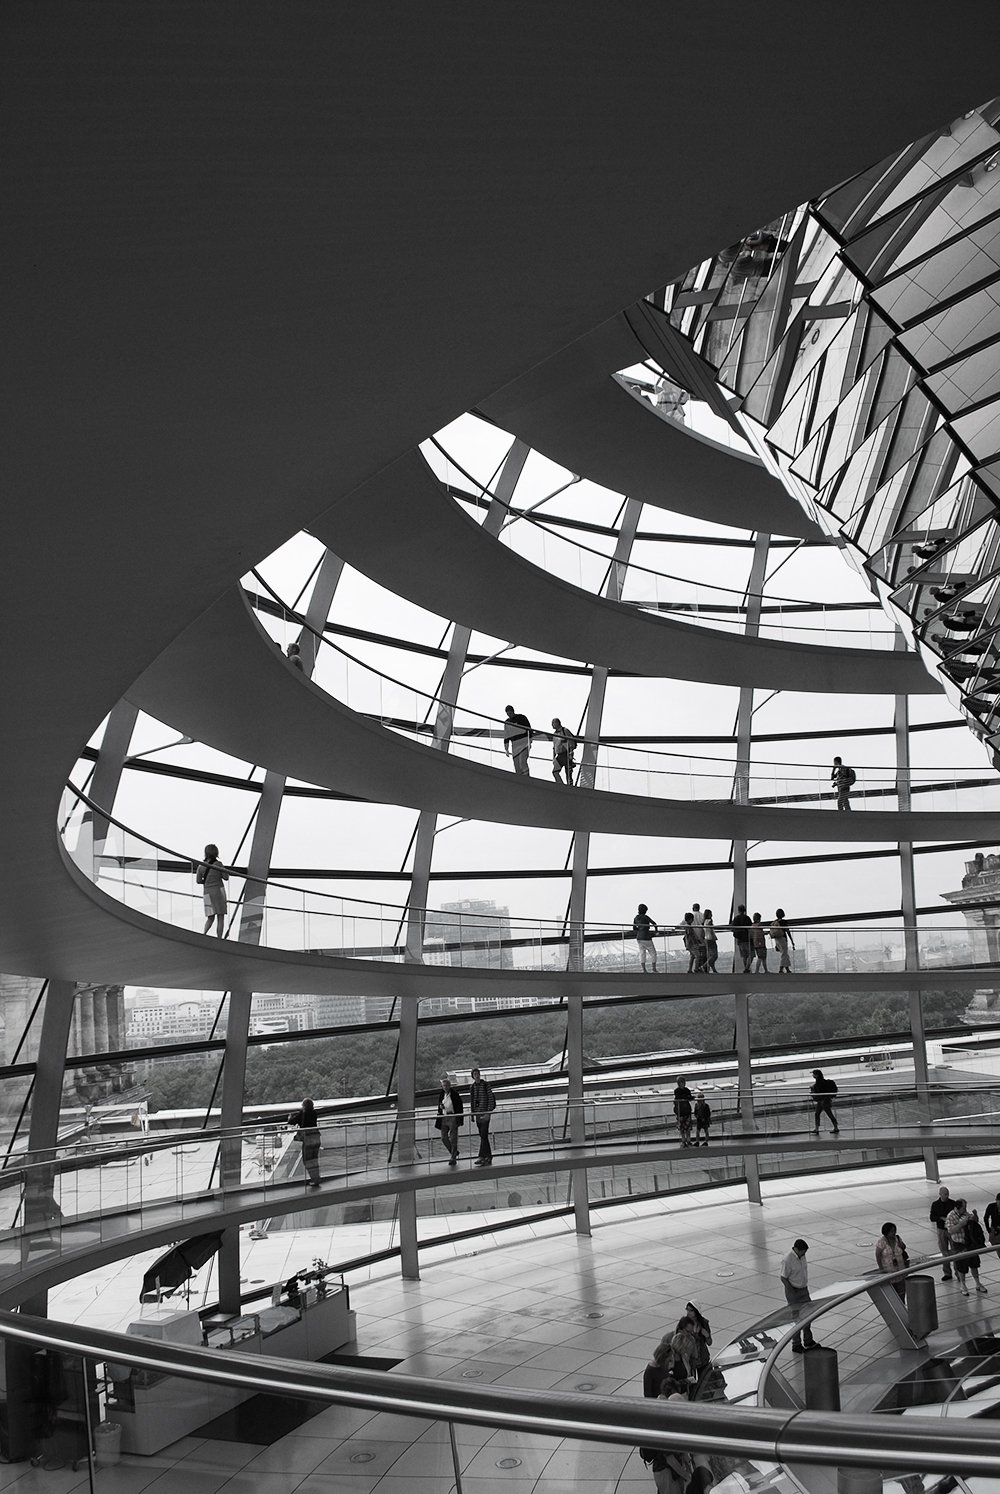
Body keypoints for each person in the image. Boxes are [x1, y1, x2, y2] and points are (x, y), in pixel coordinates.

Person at [780, 1238, 820, 1352]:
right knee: (797, 1319)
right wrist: (793, 1292)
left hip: (804, 1290)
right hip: (794, 1292)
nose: (804, 1254)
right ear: (796, 1249)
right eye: (803, 1252)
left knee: (808, 1315)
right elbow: (783, 1277)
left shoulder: (802, 1256)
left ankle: (808, 1340)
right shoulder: (787, 1259)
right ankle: (796, 1344)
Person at [945, 1198, 988, 1295]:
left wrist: (975, 1216)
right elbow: (950, 1230)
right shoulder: (950, 1216)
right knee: (961, 1266)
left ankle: (977, 1283)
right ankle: (963, 1285)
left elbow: (974, 1221)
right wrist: (961, 1224)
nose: (965, 1209)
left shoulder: (965, 1213)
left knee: (974, 1263)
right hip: (959, 1244)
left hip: (969, 1243)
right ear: (957, 1208)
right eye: (963, 1208)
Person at [195, 843, 229, 937]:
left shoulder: (201, 866)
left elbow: (198, 881)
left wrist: (207, 882)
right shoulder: (218, 864)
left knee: (210, 917)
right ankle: (219, 938)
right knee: (220, 917)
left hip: (207, 893)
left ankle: (204, 934)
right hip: (219, 892)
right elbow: (226, 877)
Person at [287, 1097, 322, 1188]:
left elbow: (291, 1122)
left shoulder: (302, 1113)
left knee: (307, 1160)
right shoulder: (314, 1113)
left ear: (304, 1106)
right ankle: (316, 1178)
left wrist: (290, 1117)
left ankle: (315, 1180)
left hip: (308, 1138)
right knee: (314, 1159)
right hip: (316, 1137)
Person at [468, 1067, 496, 1166]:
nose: (476, 1075)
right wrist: (472, 1113)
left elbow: (490, 1098)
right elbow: (472, 1101)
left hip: (485, 1112)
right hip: (478, 1114)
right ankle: (487, 1156)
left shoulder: (485, 1085)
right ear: (473, 1076)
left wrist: (488, 1112)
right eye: (474, 1074)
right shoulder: (472, 1087)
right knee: (483, 1135)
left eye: (477, 1073)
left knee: (483, 1134)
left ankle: (482, 1156)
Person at [434, 1074, 463, 1165]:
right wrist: (440, 1107)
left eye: (446, 1085)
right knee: (444, 1138)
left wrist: (459, 1119)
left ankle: (453, 1157)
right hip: (444, 1117)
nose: (445, 1087)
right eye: (443, 1086)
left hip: (453, 1117)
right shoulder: (441, 1094)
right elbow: (439, 1105)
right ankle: (453, 1152)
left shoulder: (454, 1094)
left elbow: (459, 1106)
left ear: (449, 1086)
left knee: (453, 1138)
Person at [875, 1222, 909, 1299]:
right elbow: (878, 1255)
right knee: (892, 1294)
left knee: (901, 1292)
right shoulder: (881, 1242)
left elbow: (903, 1247)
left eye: (894, 1230)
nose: (894, 1233)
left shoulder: (897, 1238)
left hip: (900, 1269)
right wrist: (881, 1269)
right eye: (891, 1231)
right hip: (888, 1270)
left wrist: (901, 1245)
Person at [930, 1186, 954, 1281]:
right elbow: (932, 1217)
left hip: (952, 1229)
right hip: (941, 1230)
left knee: (955, 1250)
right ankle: (947, 1273)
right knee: (944, 1252)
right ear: (940, 1194)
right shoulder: (935, 1204)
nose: (946, 1196)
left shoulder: (952, 1203)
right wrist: (941, 1218)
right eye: (944, 1194)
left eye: (947, 1194)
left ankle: (958, 1272)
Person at [503, 704, 533, 776]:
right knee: (516, 765)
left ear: (513, 711)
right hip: (515, 745)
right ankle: (519, 779)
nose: (509, 715)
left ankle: (527, 778)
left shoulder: (521, 718)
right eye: (507, 713)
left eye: (510, 713)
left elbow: (529, 729)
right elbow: (506, 736)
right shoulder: (507, 722)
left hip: (524, 743)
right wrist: (506, 749)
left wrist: (530, 739)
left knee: (522, 762)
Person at [810, 1069, 839, 1134]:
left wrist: (812, 1088)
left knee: (823, 1113)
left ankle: (817, 1128)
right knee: (823, 1113)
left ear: (816, 1075)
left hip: (822, 1101)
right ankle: (835, 1127)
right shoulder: (822, 1082)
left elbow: (818, 1091)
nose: (813, 1075)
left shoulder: (818, 1083)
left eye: (813, 1074)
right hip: (825, 1100)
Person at [633, 903, 659, 973]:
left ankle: (644, 969)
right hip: (646, 937)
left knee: (642, 953)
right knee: (653, 953)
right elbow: (654, 923)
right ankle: (654, 969)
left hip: (639, 937)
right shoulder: (645, 917)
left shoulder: (635, 918)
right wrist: (656, 932)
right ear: (645, 911)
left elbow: (634, 928)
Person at [551, 718, 575, 785]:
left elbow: (571, 742)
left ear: (558, 723)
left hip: (566, 754)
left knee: (568, 773)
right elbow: (554, 746)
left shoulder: (565, 731)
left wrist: (570, 753)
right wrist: (553, 757)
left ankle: (570, 787)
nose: (552, 725)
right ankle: (560, 785)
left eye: (553, 723)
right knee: (555, 771)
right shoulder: (555, 734)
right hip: (559, 755)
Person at [771, 909, 795, 974]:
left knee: (785, 954)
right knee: (784, 954)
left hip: (777, 940)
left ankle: (787, 969)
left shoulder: (774, 922)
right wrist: (792, 941)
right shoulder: (783, 922)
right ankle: (781, 969)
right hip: (782, 939)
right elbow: (787, 931)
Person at [672, 1078, 693, 1147]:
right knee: (683, 1128)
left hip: (684, 1111)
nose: (683, 1084)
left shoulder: (679, 1091)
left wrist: (687, 1097)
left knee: (687, 1127)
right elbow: (687, 1097)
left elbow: (685, 1097)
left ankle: (687, 1140)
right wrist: (687, 1097)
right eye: (682, 1082)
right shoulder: (683, 1090)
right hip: (682, 1111)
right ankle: (684, 1140)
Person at [732, 904, 752, 972]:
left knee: (744, 956)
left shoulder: (736, 919)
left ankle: (746, 968)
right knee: (750, 955)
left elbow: (733, 928)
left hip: (740, 940)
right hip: (747, 938)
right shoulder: (747, 918)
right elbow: (750, 928)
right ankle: (747, 968)